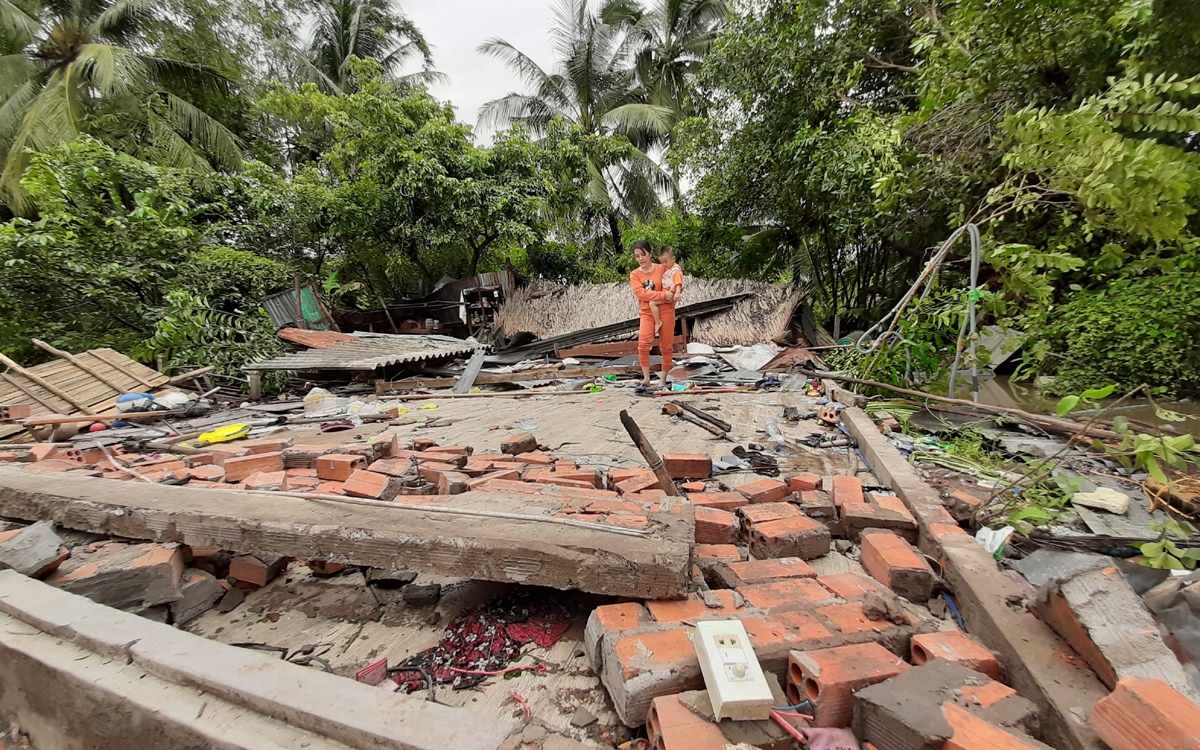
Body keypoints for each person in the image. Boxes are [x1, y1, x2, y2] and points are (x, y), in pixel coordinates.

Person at [628, 239, 677, 387]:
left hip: (666, 310)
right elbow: (641, 294)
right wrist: (662, 296)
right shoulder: (635, 274)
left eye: (643, 254)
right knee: (643, 344)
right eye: (637, 256)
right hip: (647, 312)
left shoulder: (662, 268)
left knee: (666, 347)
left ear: (650, 254)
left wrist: (672, 294)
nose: (640, 259)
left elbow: (674, 280)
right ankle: (646, 378)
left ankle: (663, 380)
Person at [649, 246, 683, 335]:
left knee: (652, 303)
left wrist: (677, 293)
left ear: (673, 259)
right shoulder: (669, 268)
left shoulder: (675, 271)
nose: (663, 264)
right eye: (662, 262)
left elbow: (678, 283)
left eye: (666, 262)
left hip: (670, 293)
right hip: (666, 292)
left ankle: (657, 322)